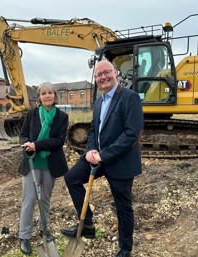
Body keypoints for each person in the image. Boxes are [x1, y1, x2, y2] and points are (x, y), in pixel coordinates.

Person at [60, 60, 144, 257]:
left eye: (106, 72)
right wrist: (90, 149)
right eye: (98, 75)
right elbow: (93, 130)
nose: (103, 77)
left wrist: (103, 155)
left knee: (122, 206)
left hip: (119, 161)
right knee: (71, 178)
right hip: (97, 157)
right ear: (95, 79)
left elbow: (132, 134)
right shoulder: (99, 101)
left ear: (115, 73)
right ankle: (87, 223)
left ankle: (125, 248)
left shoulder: (129, 98)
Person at [17, 82, 69, 255]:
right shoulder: (32, 114)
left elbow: (59, 141)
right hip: (31, 162)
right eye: (44, 93)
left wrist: (36, 145)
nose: (47, 96)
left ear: (55, 95)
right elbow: (23, 134)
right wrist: (25, 143)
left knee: (45, 199)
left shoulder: (62, 117)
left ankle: (44, 230)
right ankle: (24, 236)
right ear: (39, 97)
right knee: (29, 200)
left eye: (50, 93)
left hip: (49, 164)